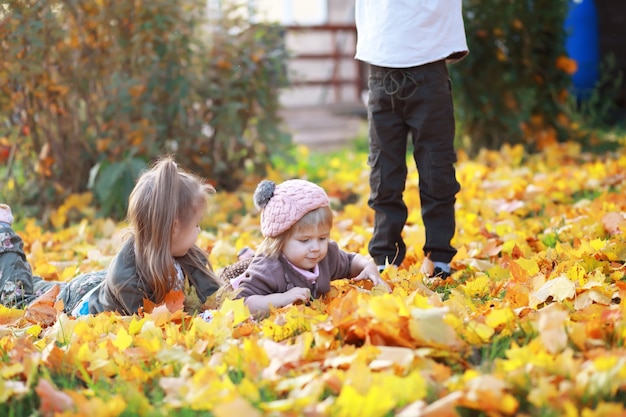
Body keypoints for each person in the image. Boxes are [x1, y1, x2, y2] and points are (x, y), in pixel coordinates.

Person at [0, 156, 223, 316]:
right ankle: (4, 233)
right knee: (17, 298)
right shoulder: (127, 280)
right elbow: (151, 324)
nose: (199, 231)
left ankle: (35, 280)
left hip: (93, 284)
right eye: (196, 224)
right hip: (74, 301)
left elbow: (213, 295)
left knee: (42, 285)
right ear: (174, 227)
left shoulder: (185, 253)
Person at [354, 0, 469, 279]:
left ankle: (439, 255)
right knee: (384, 173)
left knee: (436, 169)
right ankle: (384, 256)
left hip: (428, 67)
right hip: (381, 70)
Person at [228, 179, 390, 316]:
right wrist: (282, 299)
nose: (315, 248)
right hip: (248, 279)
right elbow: (243, 302)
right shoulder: (269, 268)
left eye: (322, 238)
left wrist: (367, 266)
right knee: (244, 269)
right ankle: (246, 256)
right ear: (280, 240)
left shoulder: (327, 256)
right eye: (305, 240)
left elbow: (349, 261)